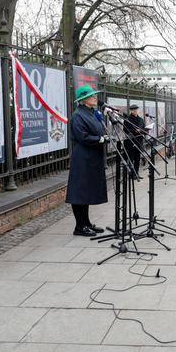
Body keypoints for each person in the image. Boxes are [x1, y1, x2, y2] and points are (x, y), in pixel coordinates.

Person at [65, 84, 108, 237]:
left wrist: (104, 135)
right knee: (79, 192)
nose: (95, 97)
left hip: (91, 157)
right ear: (83, 100)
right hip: (82, 158)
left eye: (95, 95)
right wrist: (100, 139)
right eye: (92, 96)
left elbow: (98, 129)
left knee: (87, 191)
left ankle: (87, 223)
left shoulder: (91, 113)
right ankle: (79, 226)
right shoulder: (78, 115)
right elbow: (82, 137)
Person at [123, 103, 145, 177]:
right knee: (131, 158)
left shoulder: (141, 119)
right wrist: (134, 131)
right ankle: (131, 174)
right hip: (131, 142)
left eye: (136, 109)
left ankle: (136, 173)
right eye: (133, 109)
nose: (135, 110)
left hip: (139, 141)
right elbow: (125, 130)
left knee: (137, 158)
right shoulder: (128, 120)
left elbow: (143, 128)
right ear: (131, 111)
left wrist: (145, 131)